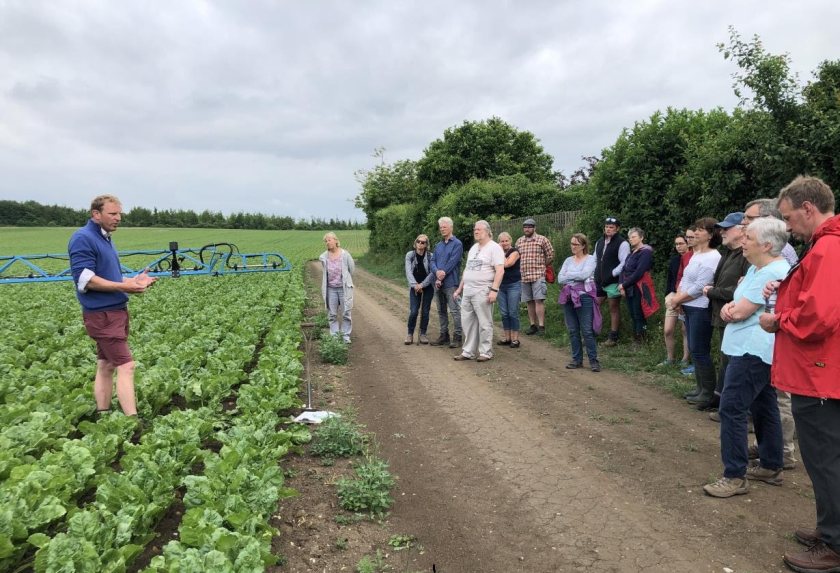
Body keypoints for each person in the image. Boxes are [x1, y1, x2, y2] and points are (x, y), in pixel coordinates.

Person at [757, 176, 840, 572]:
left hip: (819, 373)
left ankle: (836, 545)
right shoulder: (824, 247)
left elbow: (818, 317)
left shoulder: (827, 247)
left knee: (826, 459)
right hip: (822, 371)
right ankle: (830, 529)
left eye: (789, 218)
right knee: (826, 457)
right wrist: (788, 285)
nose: (788, 228)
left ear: (809, 208)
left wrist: (778, 319)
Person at [703, 217, 790, 498]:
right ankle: (770, 464)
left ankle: (735, 475)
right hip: (747, 346)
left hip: (752, 349)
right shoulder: (757, 268)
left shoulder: (772, 271)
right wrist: (734, 307)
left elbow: (740, 311)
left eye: (748, 237)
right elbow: (737, 303)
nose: (743, 241)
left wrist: (733, 310)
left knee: (732, 408)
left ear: (766, 244)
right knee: (764, 405)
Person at [68, 195, 156, 417]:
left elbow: (110, 277)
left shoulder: (104, 238)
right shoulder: (83, 238)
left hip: (114, 312)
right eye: (113, 214)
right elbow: (86, 279)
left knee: (106, 365)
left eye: (119, 214)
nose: (118, 218)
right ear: (96, 215)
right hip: (102, 315)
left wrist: (133, 281)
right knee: (127, 366)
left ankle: (103, 414)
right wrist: (124, 287)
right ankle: (133, 423)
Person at [741, 200, 799, 470]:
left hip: (774, 336)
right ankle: (771, 448)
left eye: (748, 218)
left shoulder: (782, 254)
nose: (744, 223)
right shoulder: (760, 250)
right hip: (767, 334)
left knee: (780, 399)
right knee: (768, 399)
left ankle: (784, 451)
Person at [668, 217, 722, 410]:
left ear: (710, 234)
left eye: (700, 230)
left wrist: (677, 300)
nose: (695, 233)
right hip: (689, 306)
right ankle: (700, 388)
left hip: (701, 308)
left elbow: (701, 287)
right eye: (696, 229)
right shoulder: (697, 254)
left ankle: (708, 392)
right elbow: (685, 279)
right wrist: (679, 299)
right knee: (694, 347)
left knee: (700, 350)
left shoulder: (713, 257)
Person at [702, 212, 750, 411]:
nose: (722, 232)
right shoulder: (729, 254)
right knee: (725, 358)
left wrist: (712, 291)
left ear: (742, 230)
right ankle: (720, 398)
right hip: (722, 315)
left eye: (727, 228)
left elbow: (743, 290)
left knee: (733, 361)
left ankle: (734, 406)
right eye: (721, 228)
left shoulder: (747, 256)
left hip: (737, 317)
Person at [453, 220, 504, 362]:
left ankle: (486, 351)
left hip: (483, 289)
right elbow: (467, 270)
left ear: (487, 231)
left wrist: (494, 290)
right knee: (467, 321)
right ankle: (468, 351)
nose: (476, 231)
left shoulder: (495, 248)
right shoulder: (474, 248)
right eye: (475, 229)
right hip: (468, 290)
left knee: (484, 322)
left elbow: (500, 270)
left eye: (479, 229)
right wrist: (459, 288)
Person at [558, 233, 601, 372]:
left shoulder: (590, 259)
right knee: (572, 330)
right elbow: (560, 279)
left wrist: (569, 276)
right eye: (572, 243)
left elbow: (585, 275)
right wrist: (575, 278)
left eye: (576, 244)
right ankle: (577, 360)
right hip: (568, 297)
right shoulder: (568, 260)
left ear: (583, 245)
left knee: (587, 331)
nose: (573, 246)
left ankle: (594, 361)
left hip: (584, 297)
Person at [515, 218, 554, 337]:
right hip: (524, 276)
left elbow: (550, 254)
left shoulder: (542, 239)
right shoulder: (519, 241)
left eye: (529, 227)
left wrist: (543, 266)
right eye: (525, 227)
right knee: (529, 301)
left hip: (538, 275)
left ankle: (541, 326)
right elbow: (516, 256)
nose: (527, 229)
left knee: (539, 300)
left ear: (534, 228)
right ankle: (533, 325)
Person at [594, 216, 629, 346]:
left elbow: (624, 262)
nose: (608, 229)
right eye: (607, 227)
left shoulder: (622, 243)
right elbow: (594, 259)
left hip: (613, 281)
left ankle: (613, 337)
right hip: (598, 280)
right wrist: (592, 274)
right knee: (595, 305)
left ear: (617, 229)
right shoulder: (599, 242)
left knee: (613, 308)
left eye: (611, 227)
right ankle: (593, 332)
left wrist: (612, 273)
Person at [430, 217, 464, 349]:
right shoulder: (438, 245)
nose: (442, 229)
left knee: (455, 311)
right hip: (438, 283)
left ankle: (457, 337)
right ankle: (444, 335)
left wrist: (441, 274)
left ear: (451, 227)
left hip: (451, 283)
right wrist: (437, 272)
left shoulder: (457, 244)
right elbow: (432, 261)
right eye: (440, 227)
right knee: (441, 310)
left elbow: (453, 262)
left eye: (444, 227)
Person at [618, 227, 654, 343]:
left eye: (634, 237)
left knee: (639, 313)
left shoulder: (645, 252)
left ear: (641, 237)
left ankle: (642, 339)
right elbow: (623, 270)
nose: (631, 239)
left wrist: (624, 285)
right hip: (629, 287)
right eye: (630, 238)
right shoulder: (631, 253)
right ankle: (636, 338)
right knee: (633, 313)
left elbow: (639, 272)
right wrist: (621, 284)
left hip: (639, 287)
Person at [660, 233, 690, 367]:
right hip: (673, 296)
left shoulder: (693, 258)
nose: (678, 246)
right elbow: (670, 280)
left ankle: (685, 359)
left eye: (681, 243)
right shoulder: (674, 260)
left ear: (688, 243)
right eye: (676, 244)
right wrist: (669, 296)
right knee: (668, 330)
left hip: (687, 296)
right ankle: (670, 358)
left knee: (685, 330)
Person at [319, 232, 355, 344]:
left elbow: (351, 269)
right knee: (332, 314)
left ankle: (345, 337)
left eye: (329, 240)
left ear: (335, 240)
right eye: (326, 241)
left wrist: (346, 280)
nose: (327, 243)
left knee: (346, 313)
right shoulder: (323, 257)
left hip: (343, 288)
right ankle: (334, 337)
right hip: (331, 289)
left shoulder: (345, 255)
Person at [743, 198, 800, 267]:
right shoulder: (772, 245)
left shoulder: (779, 251)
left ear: (769, 219)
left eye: (750, 218)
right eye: (744, 218)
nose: (743, 222)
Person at [404, 234, 434, 345]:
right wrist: (415, 285)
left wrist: (422, 285)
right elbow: (408, 272)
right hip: (414, 286)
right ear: (415, 242)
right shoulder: (410, 255)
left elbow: (432, 273)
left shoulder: (431, 256)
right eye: (418, 241)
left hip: (427, 286)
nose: (420, 244)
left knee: (425, 311)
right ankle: (410, 334)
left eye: (423, 242)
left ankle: (423, 334)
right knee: (414, 311)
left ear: (426, 245)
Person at [496, 232, 522, 348]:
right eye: (502, 241)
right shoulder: (498, 252)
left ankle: (515, 339)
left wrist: (498, 252)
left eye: (506, 241)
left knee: (513, 312)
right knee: (504, 313)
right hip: (501, 285)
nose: (504, 243)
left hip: (513, 285)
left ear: (510, 241)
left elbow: (508, 263)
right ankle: (507, 338)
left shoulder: (515, 252)